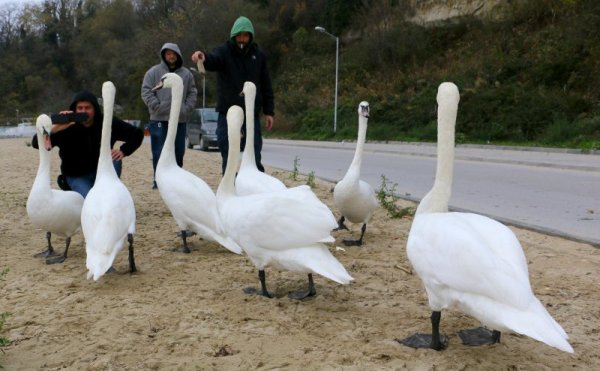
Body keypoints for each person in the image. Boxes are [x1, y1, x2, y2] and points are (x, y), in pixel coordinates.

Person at [191, 16, 275, 174]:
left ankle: (256, 179)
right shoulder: (224, 51)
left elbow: (266, 85)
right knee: (226, 147)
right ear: (234, 35)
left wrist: (269, 111)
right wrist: (202, 56)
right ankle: (229, 180)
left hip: (251, 114)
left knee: (254, 148)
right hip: (228, 112)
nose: (242, 39)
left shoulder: (259, 56)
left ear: (250, 36)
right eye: (239, 35)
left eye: (245, 35)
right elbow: (212, 60)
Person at [32, 90, 144, 198]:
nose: (83, 111)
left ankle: (108, 191)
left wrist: (124, 150)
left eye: (87, 108)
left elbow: (137, 134)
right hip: (76, 175)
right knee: (90, 200)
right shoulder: (66, 127)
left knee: (114, 160)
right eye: (80, 108)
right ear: (75, 110)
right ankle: (74, 188)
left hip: (102, 170)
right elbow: (36, 144)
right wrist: (57, 128)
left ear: (95, 109)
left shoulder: (106, 122)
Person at [141, 42, 197, 189]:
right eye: (168, 54)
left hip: (179, 119)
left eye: (173, 54)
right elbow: (146, 90)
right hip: (159, 118)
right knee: (159, 150)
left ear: (178, 55)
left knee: (178, 150)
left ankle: (176, 180)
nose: (171, 56)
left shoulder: (187, 74)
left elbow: (192, 92)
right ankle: (158, 180)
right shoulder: (153, 72)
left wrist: (185, 108)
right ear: (164, 55)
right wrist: (156, 106)